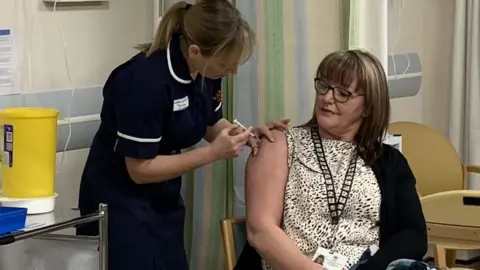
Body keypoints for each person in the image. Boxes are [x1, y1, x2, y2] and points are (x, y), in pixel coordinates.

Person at [76, 1, 289, 270]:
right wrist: (212, 153)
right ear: (195, 51)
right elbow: (139, 169)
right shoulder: (144, 82)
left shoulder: (206, 70)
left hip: (163, 199)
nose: (233, 71)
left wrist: (241, 134)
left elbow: (210, 124)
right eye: (226, 64)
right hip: (120, 202)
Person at [234, 50, 427, 270]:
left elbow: (412, 235)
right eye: (324, 86)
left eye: (343, 93)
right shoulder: (278, 142)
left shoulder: (390, 161)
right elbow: (260, 231)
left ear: (368, 107)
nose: (327, 97)